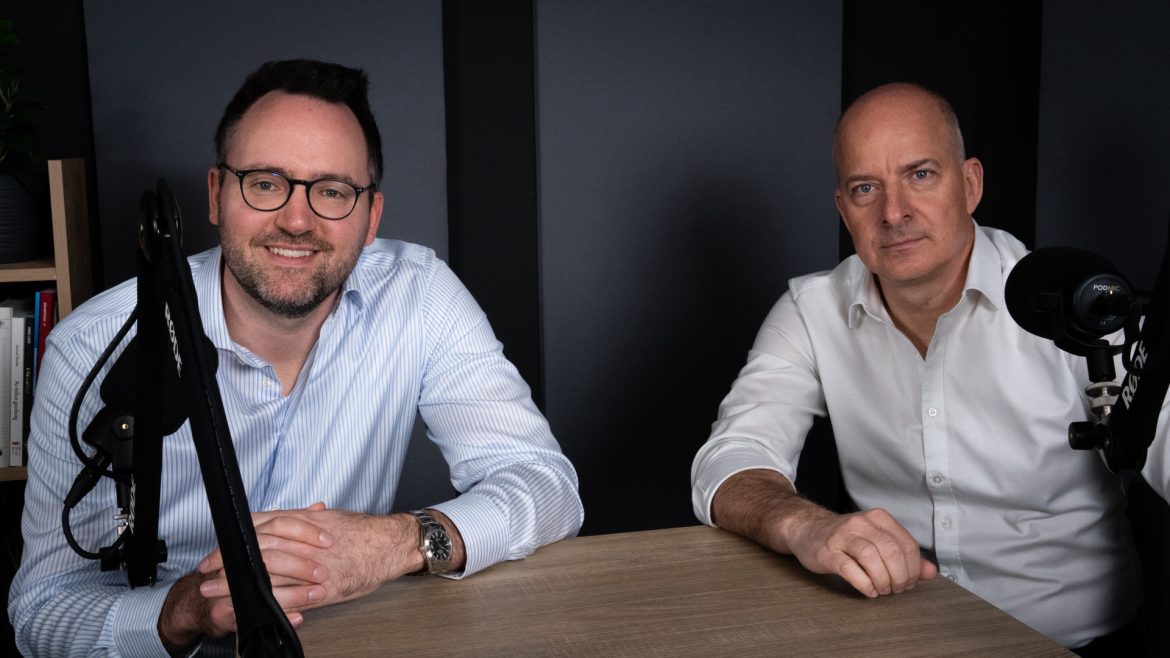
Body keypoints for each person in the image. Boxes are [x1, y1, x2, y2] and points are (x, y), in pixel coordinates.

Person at [9, 59, 583, 656]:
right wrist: (185, 609)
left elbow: (545, 485)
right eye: (265, 183)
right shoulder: (90, 346)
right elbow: (41, 614)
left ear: (370, 218)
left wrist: (399, 543)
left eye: (332, 191)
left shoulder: (419, 293)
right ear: (216, 195)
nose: (296, 220)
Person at [691, 82, 1143, 652]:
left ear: (971, 184)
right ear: (843, 209)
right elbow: (730, 459)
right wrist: (805, 524)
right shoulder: (810, 311)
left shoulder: (1078, 306)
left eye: (921, 175)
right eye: (865, 188)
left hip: (1073, 644)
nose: (894, 212)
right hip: (900, 641)